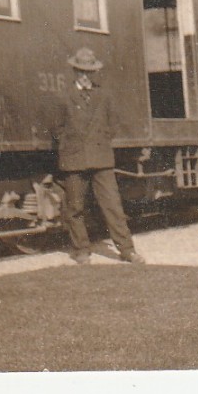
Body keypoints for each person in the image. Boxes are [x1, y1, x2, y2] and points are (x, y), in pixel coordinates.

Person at [53, 47, 144, 264]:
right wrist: (72, 145)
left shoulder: (104, 95)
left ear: (94, 73)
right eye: (81, 71)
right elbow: (56, 129)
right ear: (74, 72)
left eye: (89, 72)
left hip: (101, 159)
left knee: (112, 205)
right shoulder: (63, 97)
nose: (85, 76)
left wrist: (100, 141)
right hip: (75, 160)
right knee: (75, 207)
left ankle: (127, 250)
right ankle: (81, 250)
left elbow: (113, 124)